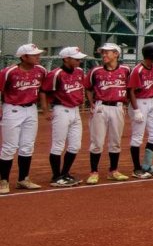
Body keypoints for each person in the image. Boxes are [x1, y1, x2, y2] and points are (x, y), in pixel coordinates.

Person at [0, 43, 48, 194]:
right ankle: (3, 181)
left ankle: (23, 179)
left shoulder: (41, 70)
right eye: (34, 55)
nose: (38, 56)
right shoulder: (9, 72)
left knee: (27, 146)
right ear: (23, 57)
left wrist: (45, 108)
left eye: (38, 54)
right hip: (12, 109)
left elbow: (43, 90)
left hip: (31, 109)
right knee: (9, 147)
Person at [85, 42, 131, 184]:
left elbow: (130, 88)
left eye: (107, 52)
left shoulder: (125, 70)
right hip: (101, 107)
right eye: (103, 52)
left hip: (118, 107)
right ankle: (94, 172)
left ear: (116, 54)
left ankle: (114, 171)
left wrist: (126, 103)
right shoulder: (96, 71)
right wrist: (92, 103)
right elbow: (88, 87)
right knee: (97, 142)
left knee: (115, 141)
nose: (104, 55)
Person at [43, 46, 88, 188]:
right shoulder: (56, 74)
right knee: (58, 145)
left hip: (75, 111)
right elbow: (44, 92)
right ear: (66, 59)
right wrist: (46, 110)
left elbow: (81, 88)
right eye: (76, 59)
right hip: (61, 110)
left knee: (75, 145)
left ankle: (65, 173)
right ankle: (56, 177)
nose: (79, 61)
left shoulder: (79, 71)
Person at [128, 42, 153, 178]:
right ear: (152, 55)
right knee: (137, 137)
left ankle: (147, 165)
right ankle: (137, 169)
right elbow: (131, 91)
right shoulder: (138, 70)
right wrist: (136, 110)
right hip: (139, 102)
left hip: (152, 102)